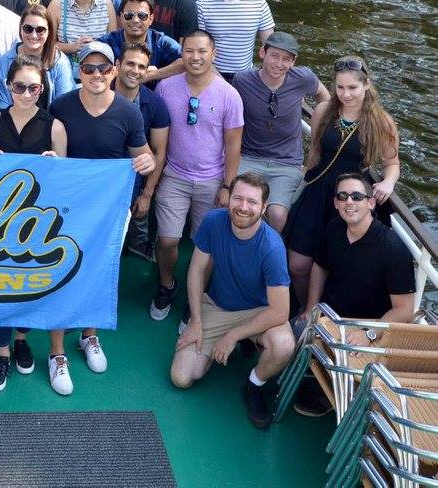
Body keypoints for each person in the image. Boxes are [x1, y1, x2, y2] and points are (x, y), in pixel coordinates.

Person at [49, 42, 155, 386]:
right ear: (80, 72)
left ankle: (89, 335)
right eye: (89, 69)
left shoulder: (129, 112)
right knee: (60, 270)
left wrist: (147, 162)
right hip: (67, 207)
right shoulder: (60, 107)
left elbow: (145, 156)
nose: (96, 75)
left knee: (99, 271)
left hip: (109, 208)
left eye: (103, 69)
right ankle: (56, 351)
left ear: (114, 71)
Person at [171, 172, 295, 432]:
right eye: (238, 198)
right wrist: (195, 321)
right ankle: (229, 344)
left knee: (283, 345)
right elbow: (195, 270)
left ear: (263, 209)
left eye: (252, 202)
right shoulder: (213, 222)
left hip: (259, 311)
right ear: (229, 200)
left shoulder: (272, 248)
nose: (243, 207)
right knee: (181, 377)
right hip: (217, 306)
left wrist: (233, 335)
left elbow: (280, 312)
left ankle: (254, 384)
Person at [293, 171, 416, 416]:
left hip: (366, 329)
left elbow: (404, 310)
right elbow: (320, 266)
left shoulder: (392, 249)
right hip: (329, 317)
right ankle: (319, 371)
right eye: (343, 196)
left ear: (371, 203)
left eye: (357, 196)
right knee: (283, 346)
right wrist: (310, 308)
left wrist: (368, 333)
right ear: (336, 203)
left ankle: (330, 388)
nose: (349, 202)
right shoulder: (335, 228)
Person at [0, 55, 68, 393]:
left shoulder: (55, 126)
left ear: (42, 88)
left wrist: (56, 164)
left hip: (38, 224)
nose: (27, 93)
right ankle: (2, 353)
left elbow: (65, 180)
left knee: (29, 284)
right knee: (1, 289)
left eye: (34, 87)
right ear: (8, 86)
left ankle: (21, 339)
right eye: (20, 86)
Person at [287, 56, 400, 308]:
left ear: (366, 84)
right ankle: (306, 310)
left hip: (350, 196)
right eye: (340, 87)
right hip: (318, 190)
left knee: (338, 264)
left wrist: (388, 182)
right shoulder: (323, 111)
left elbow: (391, 163)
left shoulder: (381, 122)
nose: (345, 94)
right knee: (298, 264)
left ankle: (325, 310)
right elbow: (315, 153)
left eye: (352, 88)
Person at [150, 30, 244, 322]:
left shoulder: (229, 95)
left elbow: (233, 144)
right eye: (189, 51)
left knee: (206, 247)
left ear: (213, 55)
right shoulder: (166, 88)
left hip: (212, 179)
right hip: (174, 175)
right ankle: (167, 284)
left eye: (202, 51)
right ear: (182, 54)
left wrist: (228, 186)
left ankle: (196, 297)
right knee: (167, 240)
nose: (195, 57)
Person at [233, 32, 330, 233]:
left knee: (278, 214)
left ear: (294, 62)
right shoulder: (242, 81)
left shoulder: (303, 78)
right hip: (249, 157)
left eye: (287, 59)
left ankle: (273, 254)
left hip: (286, 162)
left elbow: (324, 97)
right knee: (233, 204)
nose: (279, 63)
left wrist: (321, 128)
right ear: (262, 53)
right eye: (275, 56)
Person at [114, 43, 170, 260]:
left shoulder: (155, 105)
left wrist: (146, 196)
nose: (135, 71)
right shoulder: (99, 93)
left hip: (135, 182)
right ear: (117, 65)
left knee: (138, 243)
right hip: (103, 179)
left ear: (147, 72)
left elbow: (159, 152)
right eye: (130, 63)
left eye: (141, 66)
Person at [196, 0, 275, 81]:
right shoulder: (202, 5)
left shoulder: (259, 3)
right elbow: (199, 51)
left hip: (246, 76)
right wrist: (222, 83)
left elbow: (271, 46)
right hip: (211, 74)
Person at [48, 0, 117, 82]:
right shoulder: (57, 5)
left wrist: (96, 46)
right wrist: (72, 47)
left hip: (98, 73)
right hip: (65, 72)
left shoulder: (106, 4)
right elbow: (47, 45)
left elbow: (112, 43)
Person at [0, 5, 75, 110]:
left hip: (50, 123)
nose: (34, 35)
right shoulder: (5, 61)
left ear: (49, 32)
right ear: (20, 29)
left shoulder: (59, 61)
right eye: (28, 29)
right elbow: (2, 105)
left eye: (40, 30)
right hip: (11, 123)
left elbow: (64, 104)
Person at [101, 0, 182, 85]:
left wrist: (153, 74)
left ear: (151, 19)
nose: (135, 20)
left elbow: (187, 61)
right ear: (121, 17)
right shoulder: (107, 43)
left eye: (142, 16)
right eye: (129, 15)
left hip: (151, 97)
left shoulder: (160, 42)